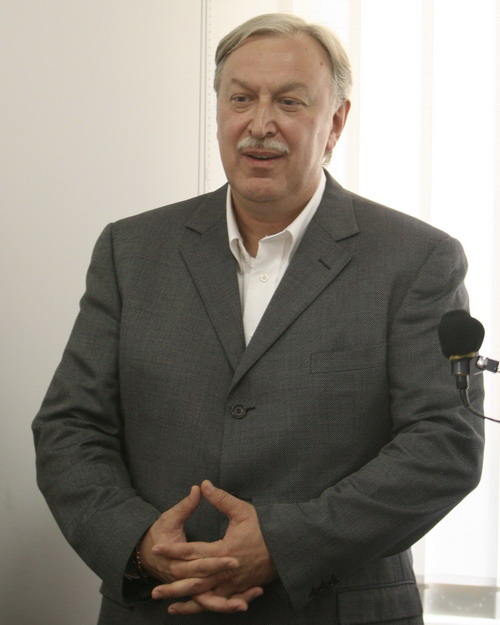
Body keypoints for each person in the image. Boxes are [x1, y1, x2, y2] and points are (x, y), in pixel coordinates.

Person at [32, 12, 484, 625]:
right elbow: (70, 427)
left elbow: (444, 445)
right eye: (240, 98)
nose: (260, 124)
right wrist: (141, 545)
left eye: (289, 102)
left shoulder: (417, 259)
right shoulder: (130, 250)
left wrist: (282, 543)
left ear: (336, 122)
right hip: (159, 609)